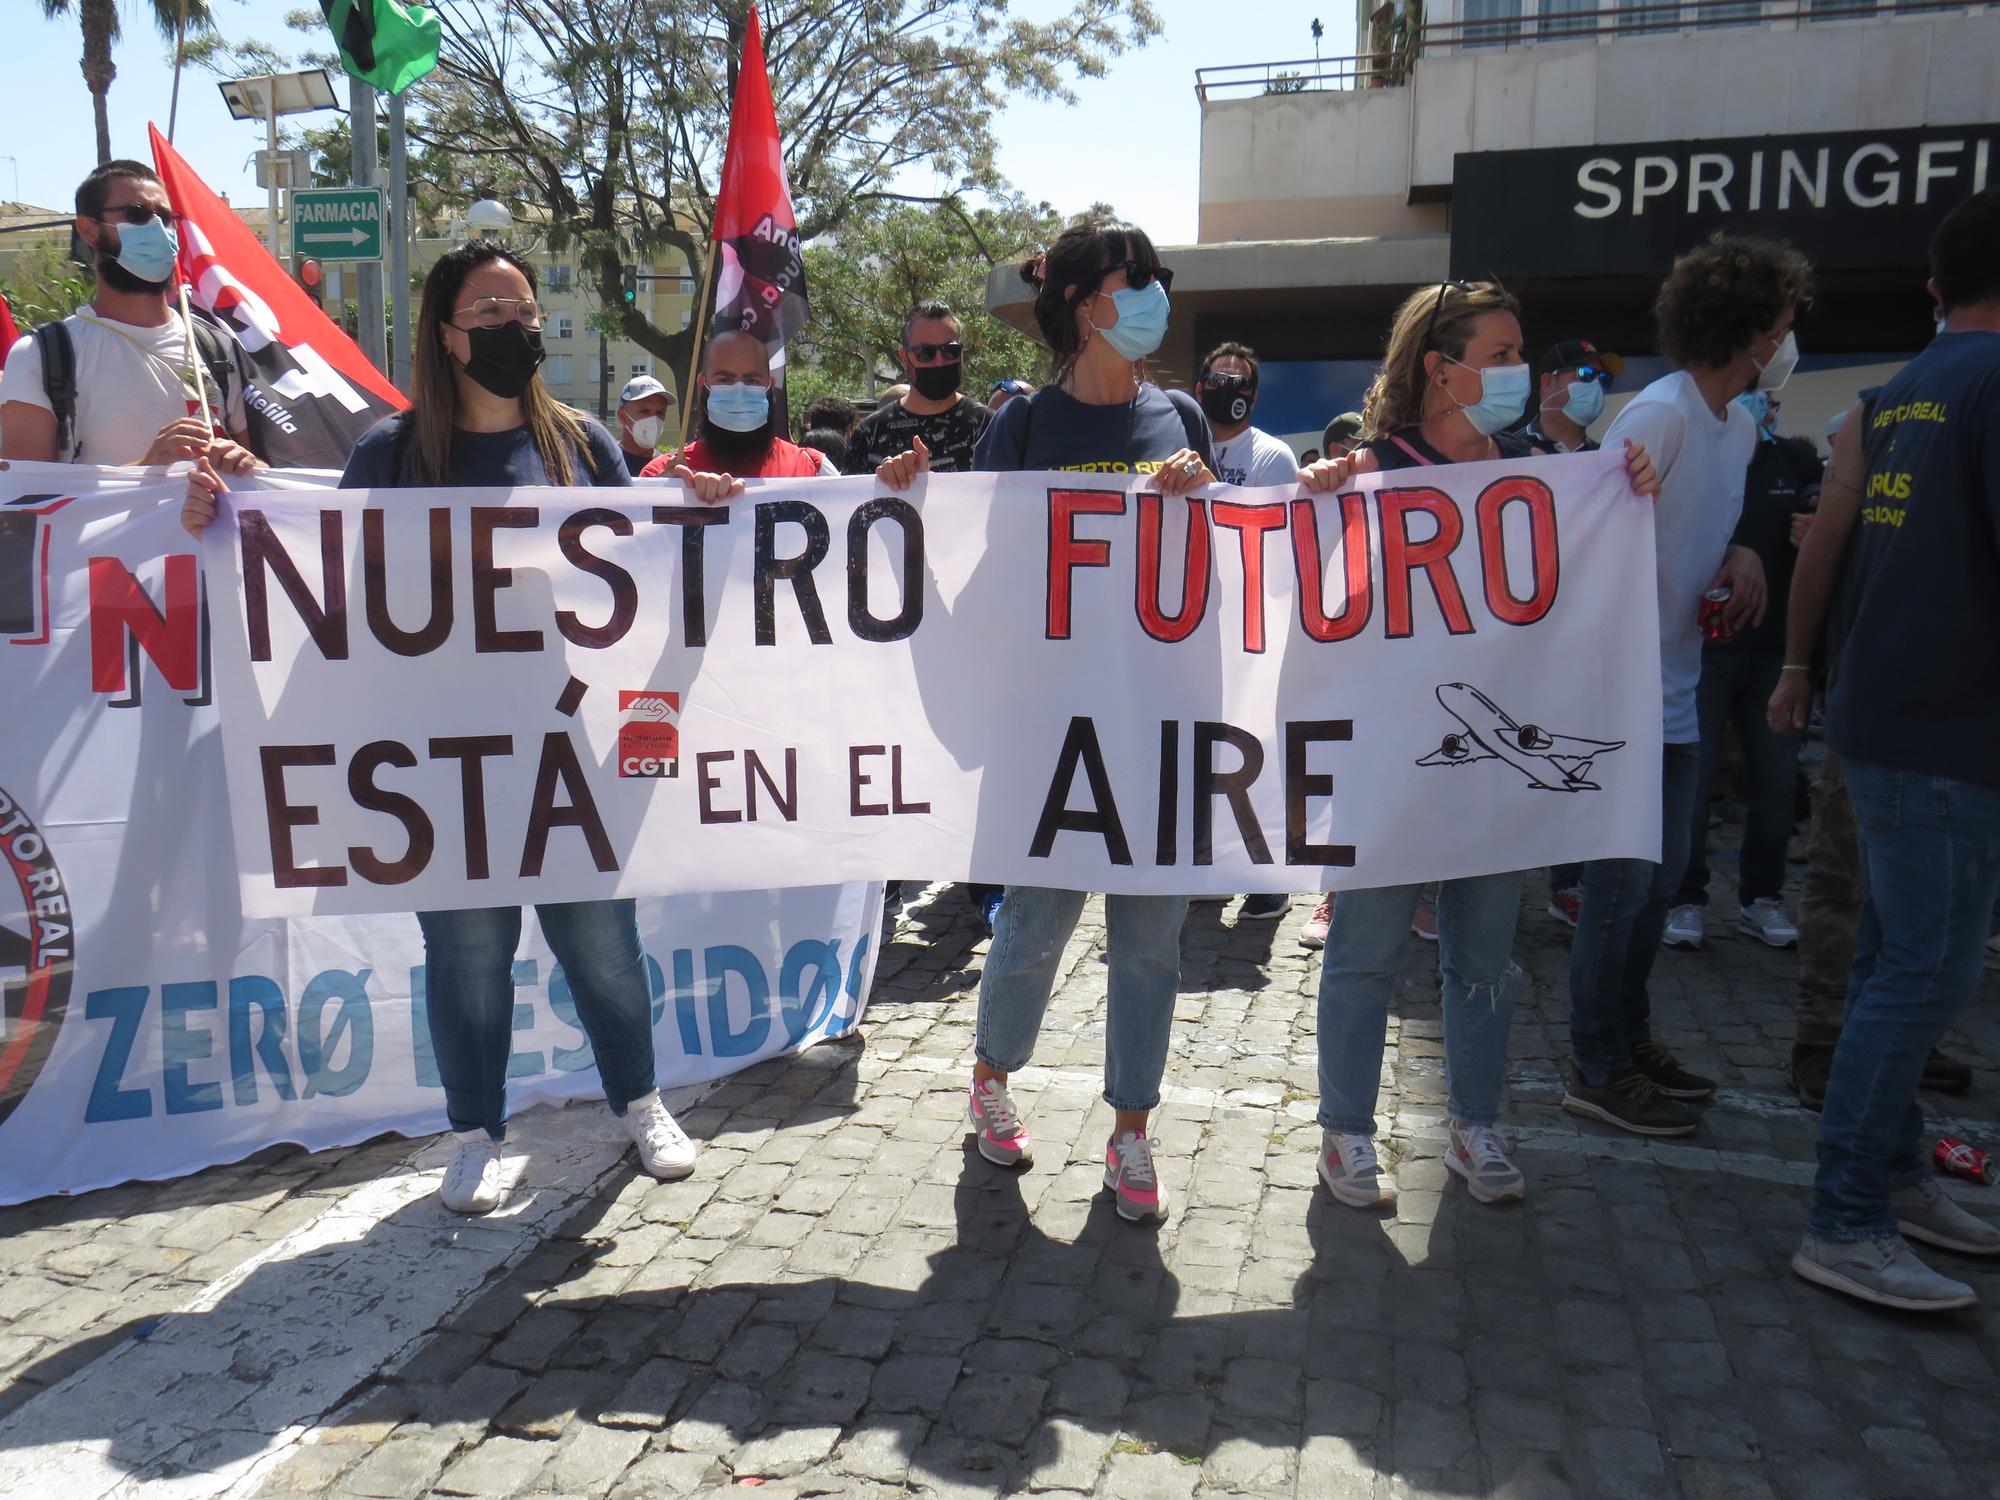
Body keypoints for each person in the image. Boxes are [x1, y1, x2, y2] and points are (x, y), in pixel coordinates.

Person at [181, 240, 699, 1214]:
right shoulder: (391, 454)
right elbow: (329, 592)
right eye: (490, 316)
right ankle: (474, 1130)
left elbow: (649, 574)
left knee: (600, 942)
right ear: (448, 336)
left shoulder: (582, 446)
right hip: (439, 761)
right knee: (466, 957)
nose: (516, 331)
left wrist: (699, 502)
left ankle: (638, 1099)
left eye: (524, 312)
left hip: (565, 749)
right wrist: (233, 512)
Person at [875, 219, 1221, 1225]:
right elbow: (984, 568)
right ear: (1078, 302)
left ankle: (1130, 1135)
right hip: (1051, 728)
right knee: (1033, 926)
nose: (1152, 293)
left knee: (1151, 942)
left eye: (1158, 276)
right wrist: (908, 505)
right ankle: (992, 1075)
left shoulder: (1183, 421)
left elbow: (1213, 577)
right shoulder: (1023, 429)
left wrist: (1200, 501)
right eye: (1132, 279)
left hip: (1157, 726)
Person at [1300, 280, 1660, 1210]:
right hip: (1385, 770)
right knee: (1367, 955)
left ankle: (1474, 1124)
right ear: (1440, 367)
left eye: (1517, 354)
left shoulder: (1542, 475)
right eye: (1499, 356)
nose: (1518, 373)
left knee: (1484, 960)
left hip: (1493, 778)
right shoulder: (1366, 470)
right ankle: (1345, 1133)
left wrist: (1627, 497)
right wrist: (1316, 498)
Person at [1767, 188, 2000, 1311]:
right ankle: (1847, 1217)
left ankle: (1895, 1180)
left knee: (1885, 965)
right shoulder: (1988, 385)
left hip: (1883, 713)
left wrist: (1801, 669)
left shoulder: (1897, 393)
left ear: (1931, 287)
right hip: (1945, 729)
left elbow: (1827, 545)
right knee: (1921, 974)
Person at [1562, 234, 1809, 1138]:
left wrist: (1744, 553)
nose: (1787, 345)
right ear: (1745, 332)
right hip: (1622, 698)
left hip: (1680, 684)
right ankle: (1595, 1062)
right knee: (1621, 889)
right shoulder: (1657, 417)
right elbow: (1590, 544)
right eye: (1780, 329)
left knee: (1661, 887)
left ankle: (1630, 1041)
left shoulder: (1738, 428)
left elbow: (1713, 528)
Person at [1662, 388, 1820, 952]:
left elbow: (1823, 525)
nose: (1761, 404)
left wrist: (1817, 531)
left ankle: (1762, 899)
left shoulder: (1794, 461)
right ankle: (1685, 899)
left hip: (1776, 652)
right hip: (1704, 648)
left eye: (1771, 396)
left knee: (1776, 783)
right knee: (1695, 782)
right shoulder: (1705, 457)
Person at [1, 158, 258, 477]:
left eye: (166, 217)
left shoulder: (216, 347)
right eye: (137, 215)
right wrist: (145, 471)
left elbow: (259, 475)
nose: (158, 230)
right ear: (89, 230)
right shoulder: (41, 355)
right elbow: (22, 504)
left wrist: (246, 463)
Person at [1195, 340, 1310, 921]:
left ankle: (1269, 876)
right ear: (1199, 388)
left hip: (1254, 621)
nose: (1228, 390)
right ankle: (1215, 864)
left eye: (1239, 382)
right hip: (1195, 625)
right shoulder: (1179, 446)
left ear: (1254, 395)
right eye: (1218, 379)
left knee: (1258, 747)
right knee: (1209, 749)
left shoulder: (1272, 457)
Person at [640, 330, 840, 480]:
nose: (739, 392)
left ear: (771, 387)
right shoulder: (661, 474)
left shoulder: (813, 469)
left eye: (752, 381)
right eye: (725, 380)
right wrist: (662, 498)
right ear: (702, 386)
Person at [843, 302, 993, 475]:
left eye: (950, 351)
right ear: (904, 358)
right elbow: (850, 498)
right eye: (925, 352)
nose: (939, 362)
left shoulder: (990, 426)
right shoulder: (869, 434)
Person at [1523, 339, 1620, 455]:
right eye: (1585, 373)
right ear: (1548, 382)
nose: (1596, 384)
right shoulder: (1512, 451)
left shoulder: (1604, 457)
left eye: (1604, 378)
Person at [614, 374, 674, 476]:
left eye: (660, 413)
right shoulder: (605, 461)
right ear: (622, 416)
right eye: (645, 411)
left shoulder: (666, 466)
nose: (654, 419)